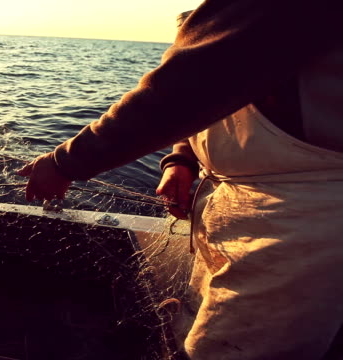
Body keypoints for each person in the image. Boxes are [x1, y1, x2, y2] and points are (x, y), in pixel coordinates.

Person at [18, 0, 343, 358]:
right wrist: (182, 160)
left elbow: (190, 84)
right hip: (244, 200)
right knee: (199, 324)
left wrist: (64, 163)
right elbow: (221, 92)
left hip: (304, 218)